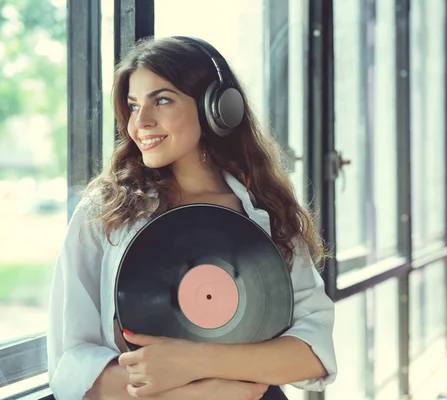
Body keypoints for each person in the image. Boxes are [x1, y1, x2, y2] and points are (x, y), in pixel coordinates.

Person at [46, 36, 337, 400]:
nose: (142, 123)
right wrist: (210, 391)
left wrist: (195, 362)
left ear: (217, 108)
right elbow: (70, 366)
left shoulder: (266, 209)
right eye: (134, 106)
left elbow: (313, 353)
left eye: (162, 100)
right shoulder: (103, 211)